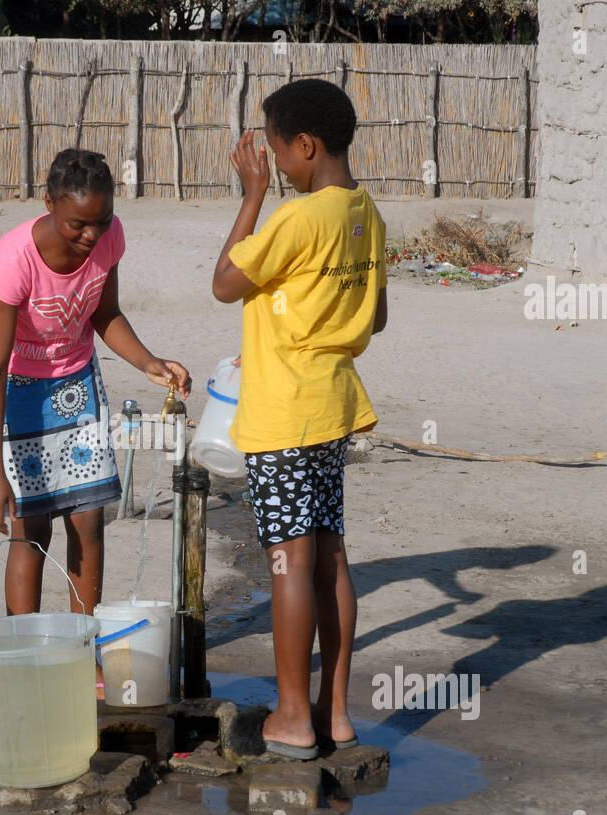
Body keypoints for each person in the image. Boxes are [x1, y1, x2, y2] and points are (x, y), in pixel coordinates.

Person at [211, 79, 388, 757]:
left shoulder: (293, 217)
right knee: (328, 558)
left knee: (287, 561)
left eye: (279, 155)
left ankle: (289, 718)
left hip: (284, 413)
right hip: (333, 406)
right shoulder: (365, 213)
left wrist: (252, 197)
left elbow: (226, 282)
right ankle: (333, 713)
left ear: (306, 146)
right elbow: (374, 314)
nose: (277, 166)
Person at [0, 148, 191, 699]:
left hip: (75, 385)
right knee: (31, 532)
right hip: (19, 390)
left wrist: (149, 362)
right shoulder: (14, 258)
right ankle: (22, 657)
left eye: (100, 223)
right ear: (48, 204)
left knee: (88, 521)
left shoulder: (109, 238)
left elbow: (104, 314)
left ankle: (82, 654)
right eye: (78, 224)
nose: (91, 237)